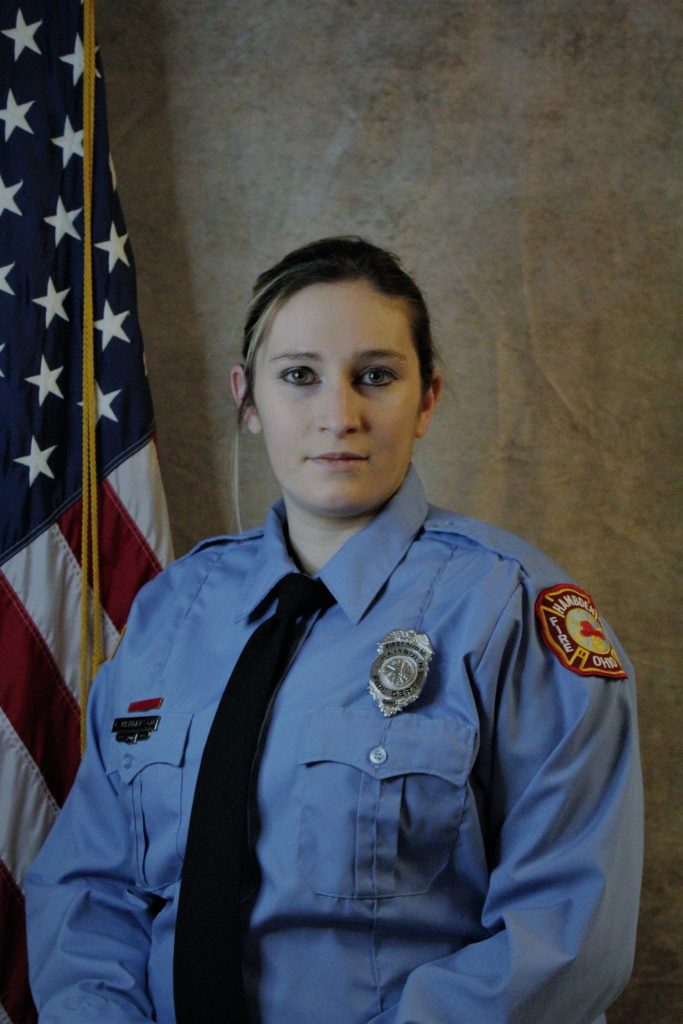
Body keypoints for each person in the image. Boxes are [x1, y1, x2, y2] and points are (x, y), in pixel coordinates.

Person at [25, 236, 643, 1023]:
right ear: (247, 400)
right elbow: (90, 887)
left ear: (428, 399)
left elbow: (563, 939)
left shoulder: (513, 612)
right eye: (299, 377)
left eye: (376, 377)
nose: (338, 415)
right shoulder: (171, 613)